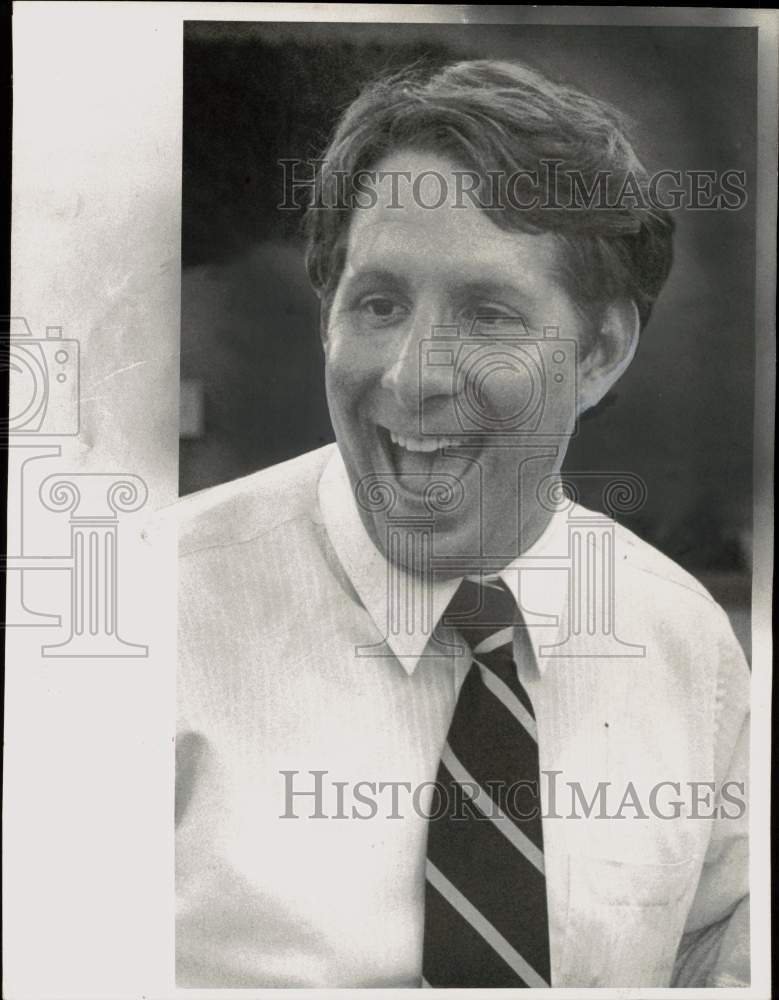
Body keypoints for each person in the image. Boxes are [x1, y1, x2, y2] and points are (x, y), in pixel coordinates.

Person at [175, 59, 749, 988]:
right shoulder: (144, 619)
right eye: (378, 304)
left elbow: (724, 952)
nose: (411, 377)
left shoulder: (679, 639)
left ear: (597, 355)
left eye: (486, 315)